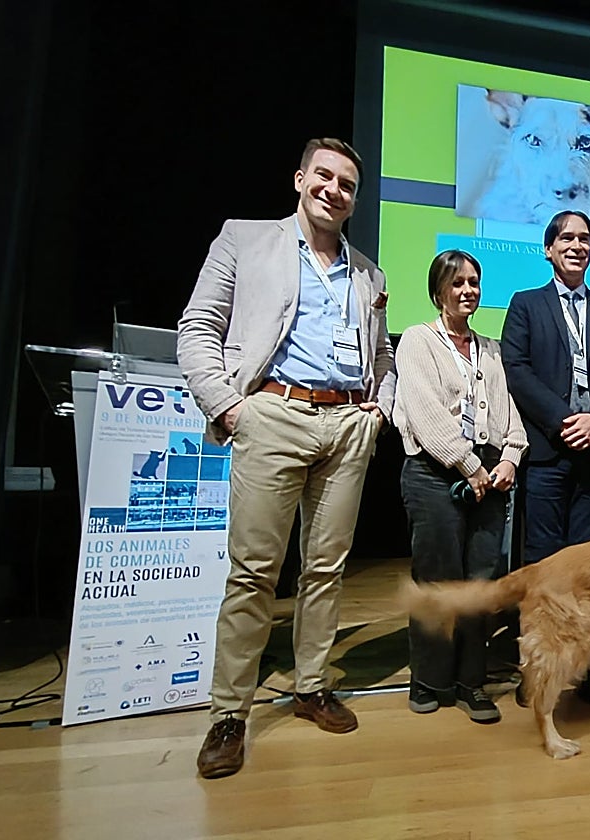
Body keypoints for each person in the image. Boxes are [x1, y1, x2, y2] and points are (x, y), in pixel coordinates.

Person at [178, 138, 394, 779]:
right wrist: (229, 406)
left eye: (347, 184)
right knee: (253, 574)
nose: (334, 190)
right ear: (300, 178)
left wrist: (375, 409)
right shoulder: (245, 240)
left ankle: (310, 685)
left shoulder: (370, 272)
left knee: (326, 569)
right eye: (323, 176)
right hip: (271, 414)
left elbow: (381, 353)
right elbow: (198, 327)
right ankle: (229, 715)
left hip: (347, 421)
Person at [500, 210, 590, 704]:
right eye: (567, 238)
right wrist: (566, 419)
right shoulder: (525, 305)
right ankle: (536, 668)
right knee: (543, 568)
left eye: (585, 238)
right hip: (547, 455)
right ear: (548, 248)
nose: (577, 245)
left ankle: (580, 667)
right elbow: (517, 371)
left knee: (587, 573)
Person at [393, 250, 527, 725]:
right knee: (437, 580)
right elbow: (426, 416)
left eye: (473, 282)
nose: (467, 290)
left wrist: (510, 458)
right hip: (436, 473)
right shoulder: (416, 341)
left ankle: (472, 682)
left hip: (489, 475)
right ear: (438, 291)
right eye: (457, 283)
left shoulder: (491, 349)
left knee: (480, 585)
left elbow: (509, 415)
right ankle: (429, 679)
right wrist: (469, 466)